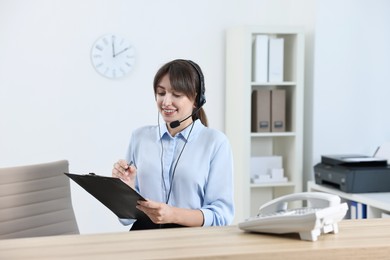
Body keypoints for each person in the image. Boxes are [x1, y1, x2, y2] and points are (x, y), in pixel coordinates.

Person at [112, 59, 234, 230]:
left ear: (196, 99)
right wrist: (126, 186)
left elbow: (221, 215)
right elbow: (126, 219)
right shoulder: (140, 137)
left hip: (193, 241)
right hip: (144, 238)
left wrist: (172, 214)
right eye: (161, 93)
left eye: (176, 95)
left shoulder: (215, 142)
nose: (166, 102)